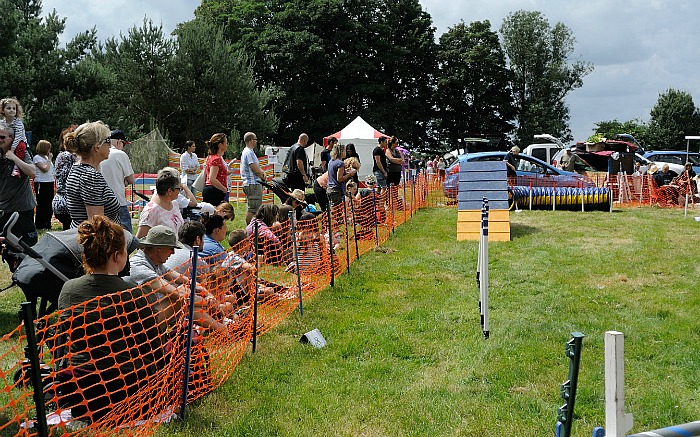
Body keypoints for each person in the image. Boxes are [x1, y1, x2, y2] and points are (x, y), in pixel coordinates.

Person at [56, 215, 164, 422]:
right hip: (126, 389)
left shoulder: (68, 289)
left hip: (80, 390)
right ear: (117, 256)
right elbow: (153, 346)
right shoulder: (133, 293)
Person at [126, 225, 231, 333]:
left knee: (188, 292)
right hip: (132, 328)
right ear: (159, 248)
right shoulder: (139, 267)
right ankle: (223, 329)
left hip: (143, 317)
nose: (173, 252)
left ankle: (222, 328)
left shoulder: (155, 263)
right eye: (171, 248)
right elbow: (179, 294)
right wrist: (210, 303)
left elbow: (187, 281)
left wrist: (209, 296)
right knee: (181, 296)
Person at [64, 121, 120, 228]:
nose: (110, 145)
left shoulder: (77, 168)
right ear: (97, 147)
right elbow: (96, 224)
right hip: (94, 242)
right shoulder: (91, 176)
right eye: (107, 141)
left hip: (79, 236)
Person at [0, 121, 38, 246]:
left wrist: (14, 158)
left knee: (26, 251)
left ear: (12, 138)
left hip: (22, 210)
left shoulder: (21, 153)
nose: (0, 140)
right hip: (3, 211)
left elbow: (32, 172)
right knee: (6, 251)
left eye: (2, 137)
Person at [99, 129, 135, 232]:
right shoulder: (120, 154)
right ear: (119, 142)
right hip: (118, 201)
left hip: (100, 202)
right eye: (124, 144)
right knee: (125, 235)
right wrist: (125, 181)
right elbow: (131, 179)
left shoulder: (98, 154)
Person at [136, 172, 185, 238]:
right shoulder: (151, 211)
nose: (180, 191)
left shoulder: (174, 204)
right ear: (170, 191)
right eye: (179, 189)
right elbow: (140, 240)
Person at [52, 125, 78, 230]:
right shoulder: (68, 156)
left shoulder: (61, 155)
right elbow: (69, 180)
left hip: (63, 202)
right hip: (68, 203)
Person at [240, 131, 268, 224]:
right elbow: (255, 169)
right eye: (255, 139)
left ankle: (252, 228)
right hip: (253, 184)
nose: (256, 142)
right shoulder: (249, 152)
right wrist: (263, 176)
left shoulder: (248, 152)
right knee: (253, 209)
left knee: (254, 208)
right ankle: (250, 229)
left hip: (252, 183)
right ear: (251, 140)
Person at [1, 97, 28, 178]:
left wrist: (12, 151)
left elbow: (18, 138)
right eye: (8, 108)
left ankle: (17, 168)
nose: (12, 110)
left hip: (19, 142)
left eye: (14, 108)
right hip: (7, 142)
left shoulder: (18, 123)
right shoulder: (2, 122)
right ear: (3, 110)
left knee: (21, 146)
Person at [32, 140, 55, 230]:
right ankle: (40, 224)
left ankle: (47, 223)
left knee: (49, 204)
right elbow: (45, 169)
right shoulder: (37, 158)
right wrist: (49, 159)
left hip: (50, 182)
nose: (50, 150)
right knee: (42, 204)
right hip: (41, 183)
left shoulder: (46, 157)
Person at [202, 133, 229, 207]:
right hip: (214, 191)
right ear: (220, 145)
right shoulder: (216, 159)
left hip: (212, 190)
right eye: (226, 143)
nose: (227, 145)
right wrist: (224, 189)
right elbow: (212, 178)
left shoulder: (210, 157)